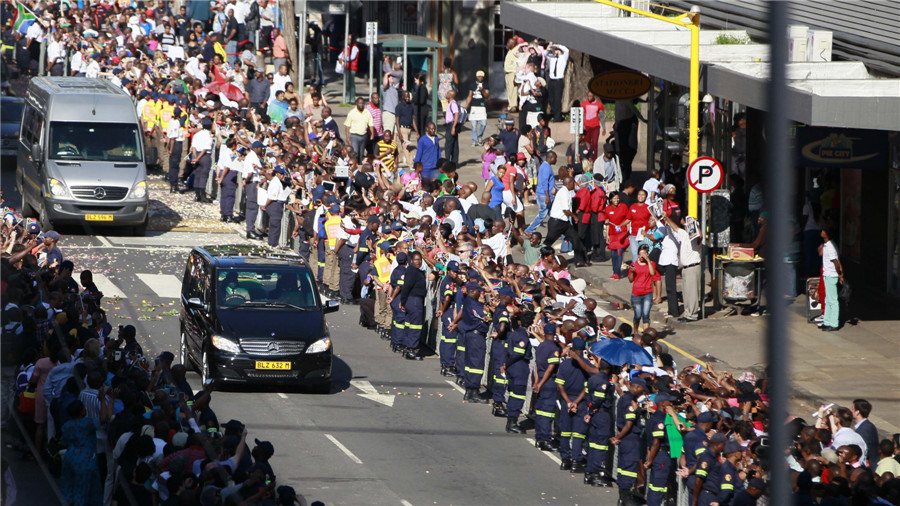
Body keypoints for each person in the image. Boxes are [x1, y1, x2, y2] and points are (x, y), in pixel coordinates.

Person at [59, 399, 105, 506]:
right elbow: (103, 420)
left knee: (69, 486)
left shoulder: (66, 426)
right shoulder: (87, 423)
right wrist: (103, 401)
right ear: (81, 412)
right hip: (86, 459)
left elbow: (64, 441)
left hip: (70, 457)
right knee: (84, 490)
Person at [611, 377, 646, 506]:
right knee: (628, 468)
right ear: (637, 387)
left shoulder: (625, 398)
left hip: (626, 438)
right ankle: (625, 498)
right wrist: (618, 437)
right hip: (630, 438)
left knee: (623, 468)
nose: (643, 392)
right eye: (642, 389)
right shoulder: (630, 402)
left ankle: (623, 497)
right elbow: (628, 424)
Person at [556, 338, 589, 472]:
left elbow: (559, 384)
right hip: (580, 402)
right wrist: (575, 402)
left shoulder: (565, 365)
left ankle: (565, 459)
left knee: (565, 432)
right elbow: (586, 388)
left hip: (567, 401)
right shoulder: (587, 366)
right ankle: (576, 461)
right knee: (578, 434)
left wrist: (568, 402)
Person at [544, 177, 589, 267]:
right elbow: (565, 210)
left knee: (575, 239)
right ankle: (540, 257)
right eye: (574, 183)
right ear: (569, 183)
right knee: (548, 242)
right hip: (557, 222)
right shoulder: (564, 192)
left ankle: (579, 260)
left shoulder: (566, 192)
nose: (575, 185)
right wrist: (574, 217)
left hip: (564, 222)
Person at [665, 213, 702, 322]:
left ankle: (692, 315)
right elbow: (675, 228)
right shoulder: (684, 234)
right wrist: (666, 218)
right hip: (685, 268)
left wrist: (696, 225)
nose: (686, 226)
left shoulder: (696, 239)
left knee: (692, 293)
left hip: (693, 267)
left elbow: (700, 236)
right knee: (686, 293)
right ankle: (688, 313)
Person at [399, 252, 427, 360]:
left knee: (409, 324)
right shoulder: (412, 271)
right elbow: (406, 286)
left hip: (412, 300)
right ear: (411, 261)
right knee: (415, 326)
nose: (418, 262)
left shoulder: (416, 271)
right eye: (415, 259)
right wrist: (403, 301)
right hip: (414, 301)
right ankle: (412, 349)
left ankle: (407, 347)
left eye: (419, 260)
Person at [628, 244, 656, 335]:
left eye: (644, 254)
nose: (641, 257)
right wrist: (632, 272)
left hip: (647, 292)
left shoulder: (651, 264)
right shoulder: (634, 264)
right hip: (636, 293)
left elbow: (652, 273)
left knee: (646, 314)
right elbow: (630, 280)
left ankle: (646, 334)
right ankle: (635, 332)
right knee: (638, 315)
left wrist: (648, 261)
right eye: (640, 255)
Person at [526, 151, 557, 235]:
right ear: (550, 158)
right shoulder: (546, 167)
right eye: (555, 158)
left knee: (552, 214)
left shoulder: (545, 166)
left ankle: (555, 232)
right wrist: (547, 196)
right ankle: (529, 230)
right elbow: (544, 182)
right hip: (544, 195)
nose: (556, 160)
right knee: (542, 215)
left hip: (545, 194)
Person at [819, 227, 843, 331]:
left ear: (827, 234)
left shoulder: (831, 247)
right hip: (826, 274)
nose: (821, 231)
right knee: (827, 299)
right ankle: (827, 321)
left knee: (833, 300)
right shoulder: (826, 245)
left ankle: (834, 323)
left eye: (824, 230)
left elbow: (836, 262)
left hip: (831, 275)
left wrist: (839, 274)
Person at [605, 191, 630, 279]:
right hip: (612, 234)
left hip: (621, 233)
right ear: (611, 200)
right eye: (614, 198)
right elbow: (607, 223)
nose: (616, 200)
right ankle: (614, 271)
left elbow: (628, 219)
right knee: (613, 254)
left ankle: (618, 273)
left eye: (618, 198)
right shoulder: (608, 209)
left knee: (619, 252)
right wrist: (607, 235)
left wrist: (627, 231)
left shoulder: (623, 206)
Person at [345, 97, 374, 164]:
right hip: (354, 135)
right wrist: (347, 137)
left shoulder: (367, 112)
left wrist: (372, 134)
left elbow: (371, 124)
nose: (361, 105)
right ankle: (354, 165)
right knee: (355, 152)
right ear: (356, 103)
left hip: (363, 136)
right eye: (359, 103)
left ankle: (360, 166)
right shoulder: (352, 113)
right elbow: (347, 126)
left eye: (362, 103)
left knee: (361, 153)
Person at [545, 43, 569, 122]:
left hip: (558, 81)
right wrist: (550, 46)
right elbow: (545, 54)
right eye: (555, 50)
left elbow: (567, 50)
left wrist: (559, 46)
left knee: (557, 99)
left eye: (558, 50)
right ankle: (554, 113)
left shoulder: (563, 58)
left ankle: (557, 117)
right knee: (551, 99)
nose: (556, 51)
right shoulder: (552, 58)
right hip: (551, 81)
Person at [466, 70, 490, 147]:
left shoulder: (486, 85)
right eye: (478, 76)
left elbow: (487, 96)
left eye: (481, 76)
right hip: (474, 107)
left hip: (482, 106)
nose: (480, 78)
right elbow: (470, 96)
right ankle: (474, 140)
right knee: (474, 126)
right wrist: (467, 106)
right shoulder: (472, 85)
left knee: (483, 123)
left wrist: (482, 90)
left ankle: (479, 136)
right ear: (476, 77)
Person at [582, 91, 606, 160]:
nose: (589, 98)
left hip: (595, 127)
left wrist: (604, 127)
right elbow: (582, 115)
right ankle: (586, 158)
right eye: (588, 96)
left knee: (594, 143)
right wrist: (582, 126)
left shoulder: (599, 104)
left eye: (590, 96)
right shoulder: (584, 104)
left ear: (594, 96)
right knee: (587, 143)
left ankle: (594, 159)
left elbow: (601, 116)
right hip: (587, 127)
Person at [339, 34, 359, 102]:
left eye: (350, 39)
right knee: (347, 83)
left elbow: (352, 57)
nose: (348, 40)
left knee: (351, 84)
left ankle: (352, 98)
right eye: (347, 39)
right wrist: (340, 58)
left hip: (352, 68)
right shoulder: (346, 47)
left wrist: (344, 59)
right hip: (346, 67)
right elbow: (341, 55)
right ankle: (348, 97)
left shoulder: (355, 47)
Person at [444, 90, 461, 165]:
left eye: (447, 93)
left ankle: (448, 161)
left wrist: (453, 127)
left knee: (449, 144)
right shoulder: (451, 103)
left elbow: (456, 115)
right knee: (454, 144)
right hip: (451, 125)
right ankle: (454, 162)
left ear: (451, 95)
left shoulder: (453, 104)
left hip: (451, 125)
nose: (446, 94)